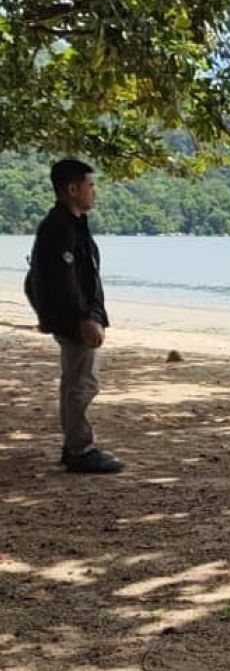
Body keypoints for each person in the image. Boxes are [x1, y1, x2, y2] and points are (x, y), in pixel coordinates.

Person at [24, 159, 123, 474]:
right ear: (71, 188)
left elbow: (47, 278)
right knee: (82, 384)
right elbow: (55, 279)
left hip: (77, 318)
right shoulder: (59, 227)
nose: (94, 191)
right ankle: (80, 449)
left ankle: (75, 446)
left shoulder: (72, 225)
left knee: (77, 382)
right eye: (90, 185)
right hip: (77, 321)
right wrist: (84, 318)